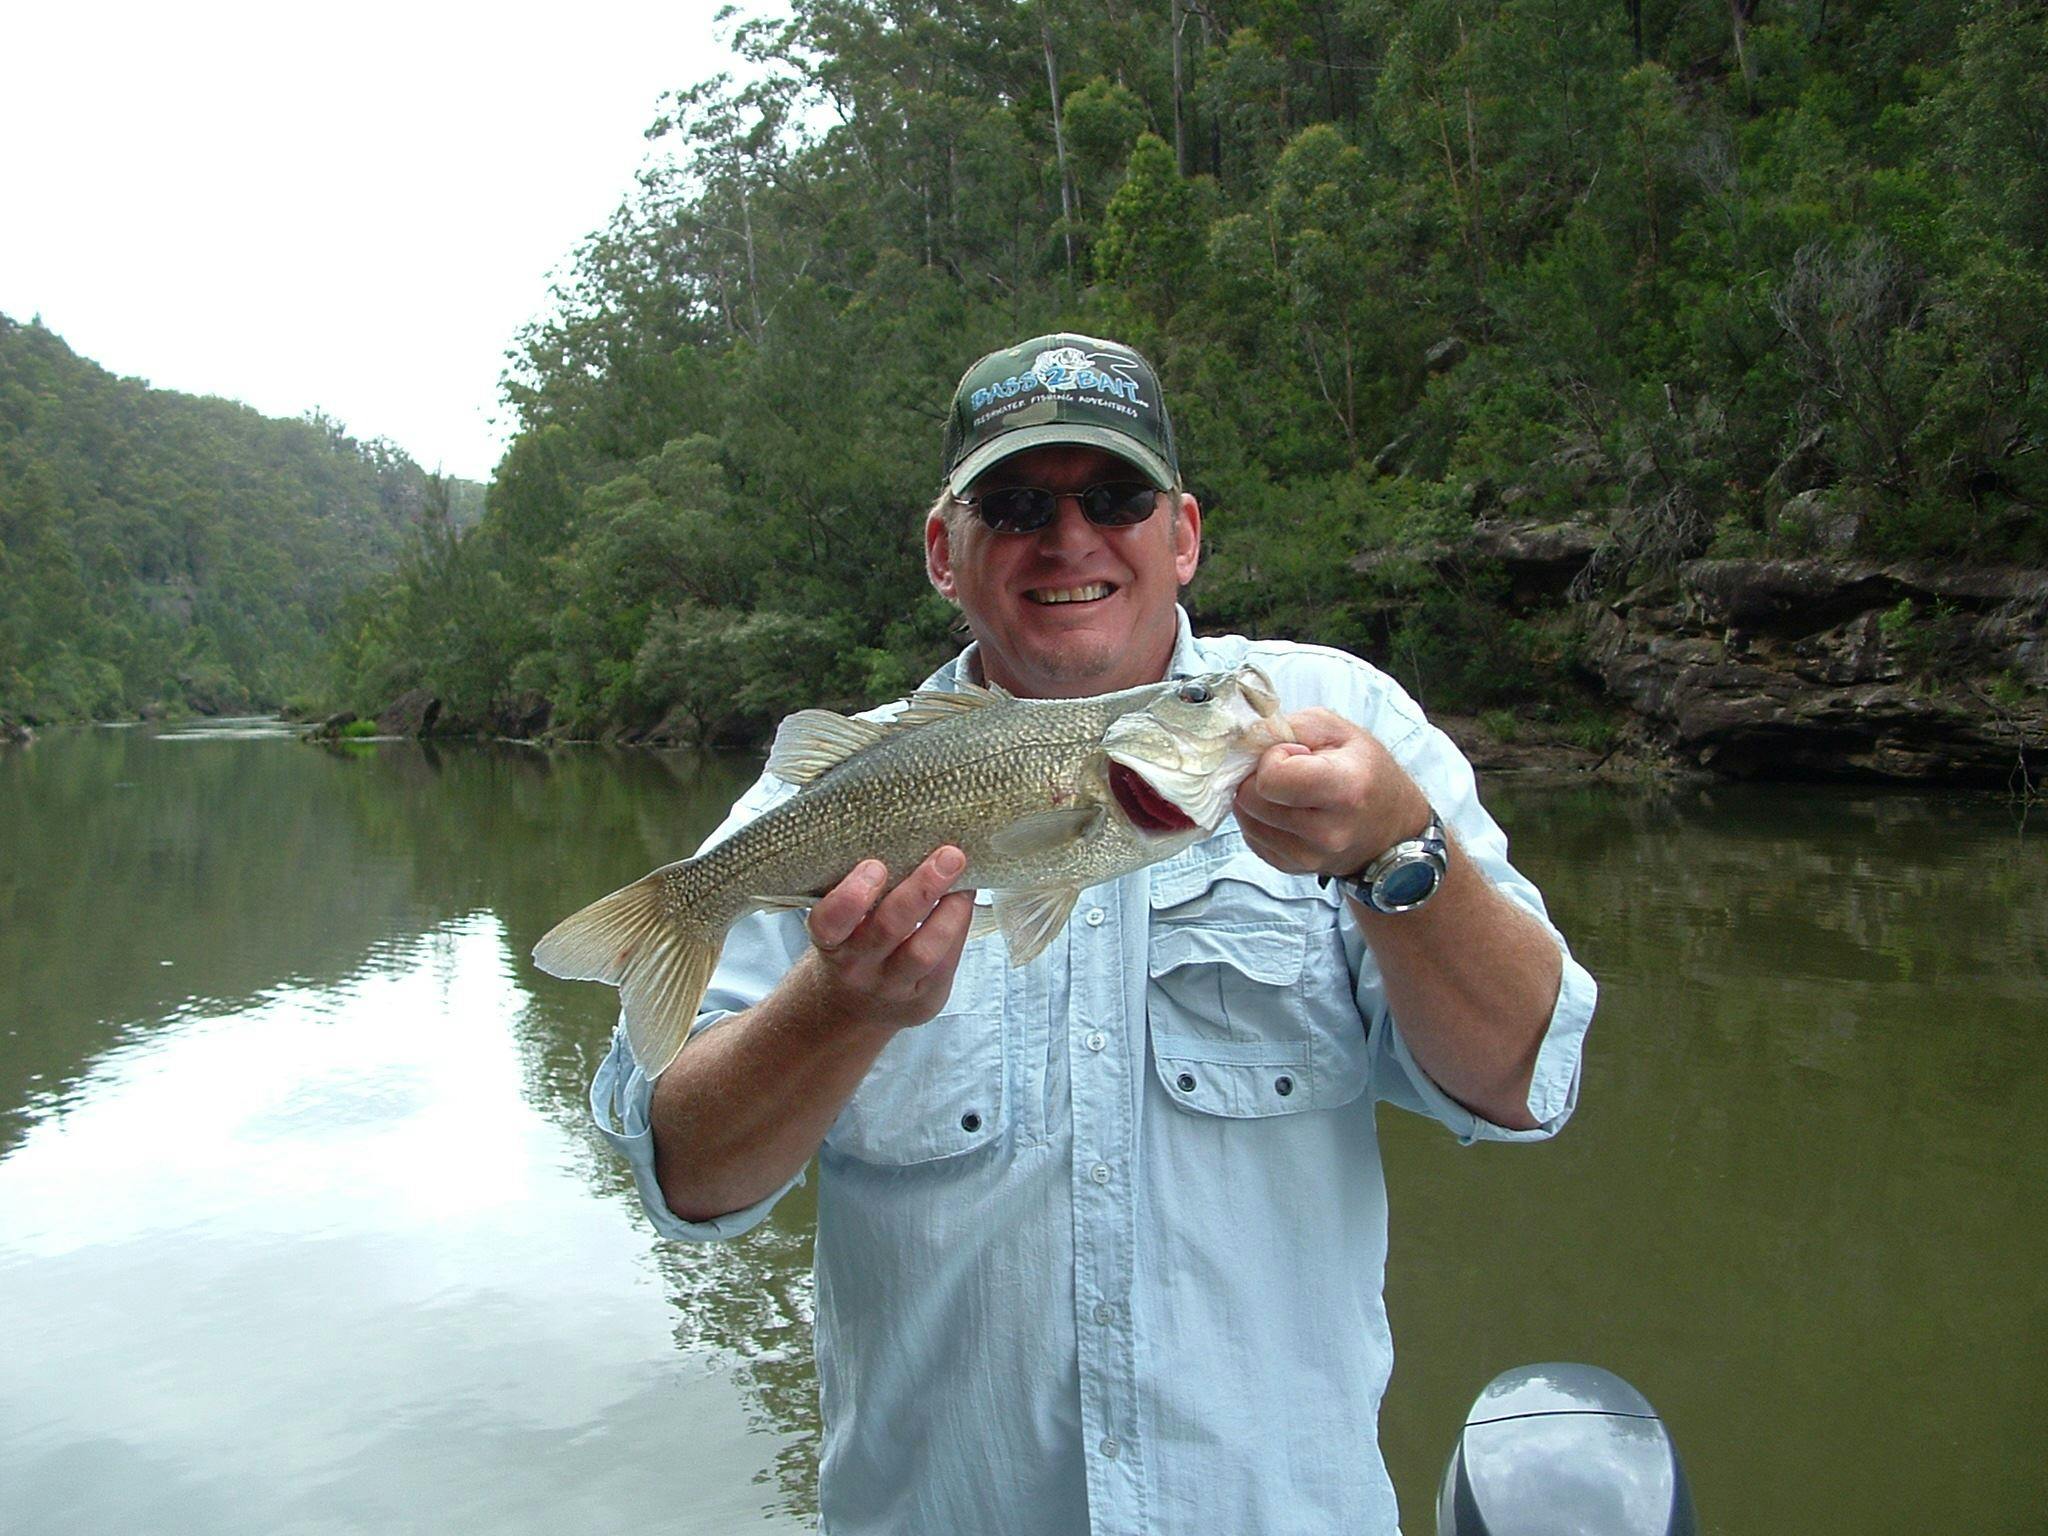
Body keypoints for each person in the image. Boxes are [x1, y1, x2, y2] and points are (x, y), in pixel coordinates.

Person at [590, 332, 1596, 1535]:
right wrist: (837, 1004)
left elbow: (1527, 1083)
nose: (1068, 538)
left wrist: (1398, 856)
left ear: (1180, 534)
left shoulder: (1345, 727)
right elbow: (682, 1174)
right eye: (1014, 503)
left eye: (1113, 496)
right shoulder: (836, 789)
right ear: (941, 551)